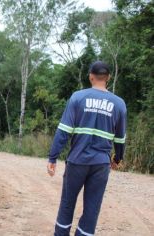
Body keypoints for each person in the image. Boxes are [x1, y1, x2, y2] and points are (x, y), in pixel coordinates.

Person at [47, 61, 127, 236]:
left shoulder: (78, 97)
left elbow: (64, 131)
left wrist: (53, 157)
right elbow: (120, 138)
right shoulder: (119, 104)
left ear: (90, 76)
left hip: (77, 161)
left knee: (67, 203)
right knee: (92, 206)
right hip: (101, 164)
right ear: (108, 78)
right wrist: (117, 159)